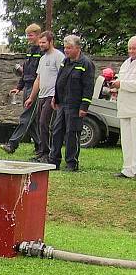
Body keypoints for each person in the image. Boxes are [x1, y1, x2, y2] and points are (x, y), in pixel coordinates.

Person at [48, 35, 95, 172]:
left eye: (69, 48)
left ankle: (71, 163)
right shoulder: (65, 61)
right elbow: (60, 80)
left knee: (71, 133)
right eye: (65, 48)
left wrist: (84, 106)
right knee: (56, 131)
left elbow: (88, 87)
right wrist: (55, 98)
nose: (66, 50)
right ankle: (54, 160)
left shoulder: (85, 63)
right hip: (62, 104)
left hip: (75, 105)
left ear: (78, 48)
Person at [1, 24, 43, 154]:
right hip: (28, 86)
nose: (28, 38)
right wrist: (19, 87)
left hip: (36, 87)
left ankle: (12, 144)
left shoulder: (41, 52)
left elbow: (39, 75)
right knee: (32, 120)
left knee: (26, 117)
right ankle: (40, 146)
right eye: (27, 35)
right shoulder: (30, 51)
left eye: (30, 35)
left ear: (37, 35)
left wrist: (32, 93)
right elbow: (26, 72)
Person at [25, 31, 63, 162]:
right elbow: (38, 79)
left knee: (44, 123)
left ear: (51, 42)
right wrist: (31, 97)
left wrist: (57, 96)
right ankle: (42, 152)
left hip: (52, 95)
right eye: (40, 42)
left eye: (43, 42)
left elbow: (61, 77)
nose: (41, 45)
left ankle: (48, 153)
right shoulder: (42, 58)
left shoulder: (58, 56)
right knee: (39, 123)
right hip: (42, 95)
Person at [111, 35, 136, 179]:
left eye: (134, 48)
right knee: (126, 140)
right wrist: (115, 85)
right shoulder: (126, 63)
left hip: (135, 107)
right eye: (130, 48)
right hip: (124, 106)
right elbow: (122, 79)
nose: (132, 51)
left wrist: (122, 85)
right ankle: (127, 169)